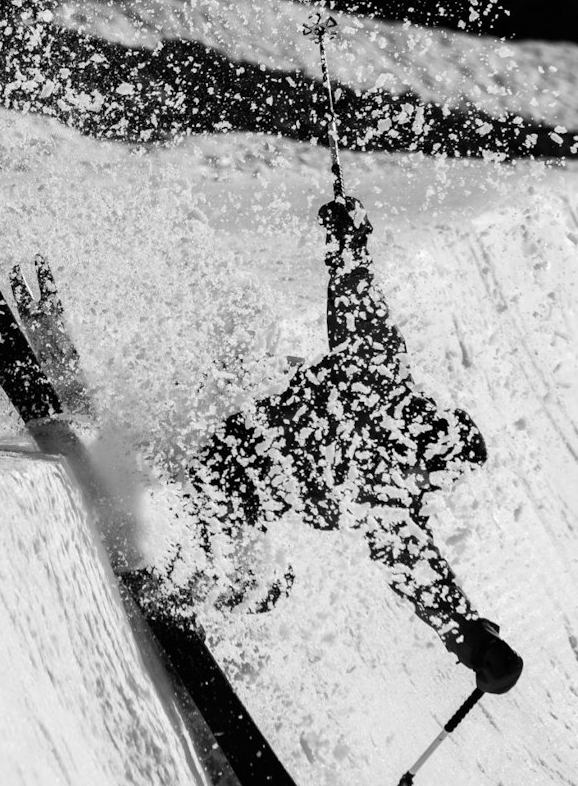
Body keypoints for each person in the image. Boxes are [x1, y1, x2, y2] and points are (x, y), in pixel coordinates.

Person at [180, 193, 521, 694]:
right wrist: (348, 241)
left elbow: (425, 581)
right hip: (224, 452)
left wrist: (473, 641)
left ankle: (192, 590)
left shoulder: (383, 391)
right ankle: (178, 582)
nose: (415, 468)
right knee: (257, 573)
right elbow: (357, 299)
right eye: (425, 457)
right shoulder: (382, 412)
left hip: (231, 472)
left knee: (269, 579)